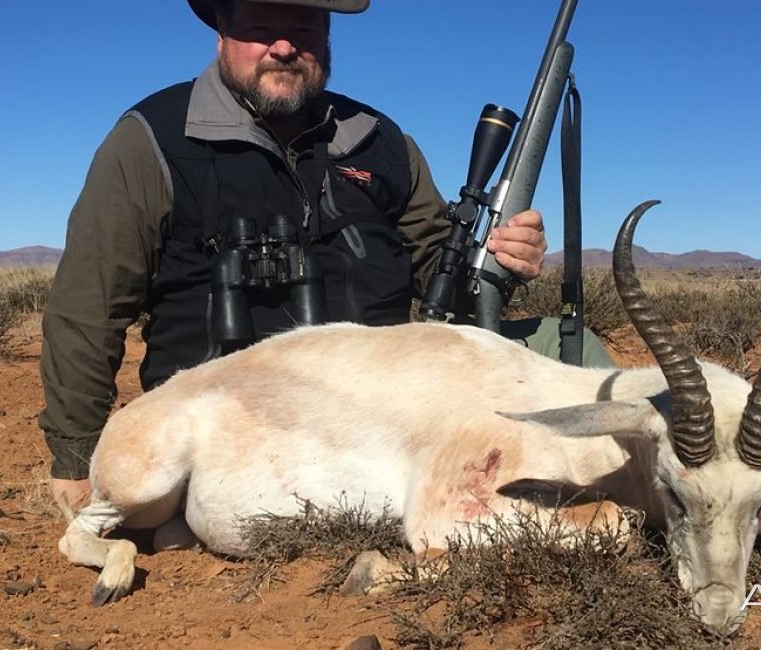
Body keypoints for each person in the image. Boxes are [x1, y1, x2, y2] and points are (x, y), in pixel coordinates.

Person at [39, 0, 614, 520]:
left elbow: (443, 272)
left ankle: (630, 495)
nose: (285, 47)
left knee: (569, 346)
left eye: (305, 29)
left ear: (328, 37)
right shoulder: (152, 140)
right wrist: (75, 455)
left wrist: (501, 262)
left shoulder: (379, 140)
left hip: (388, 405)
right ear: (221, 30)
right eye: (262, 27)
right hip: (237, 416)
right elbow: (87, 309)